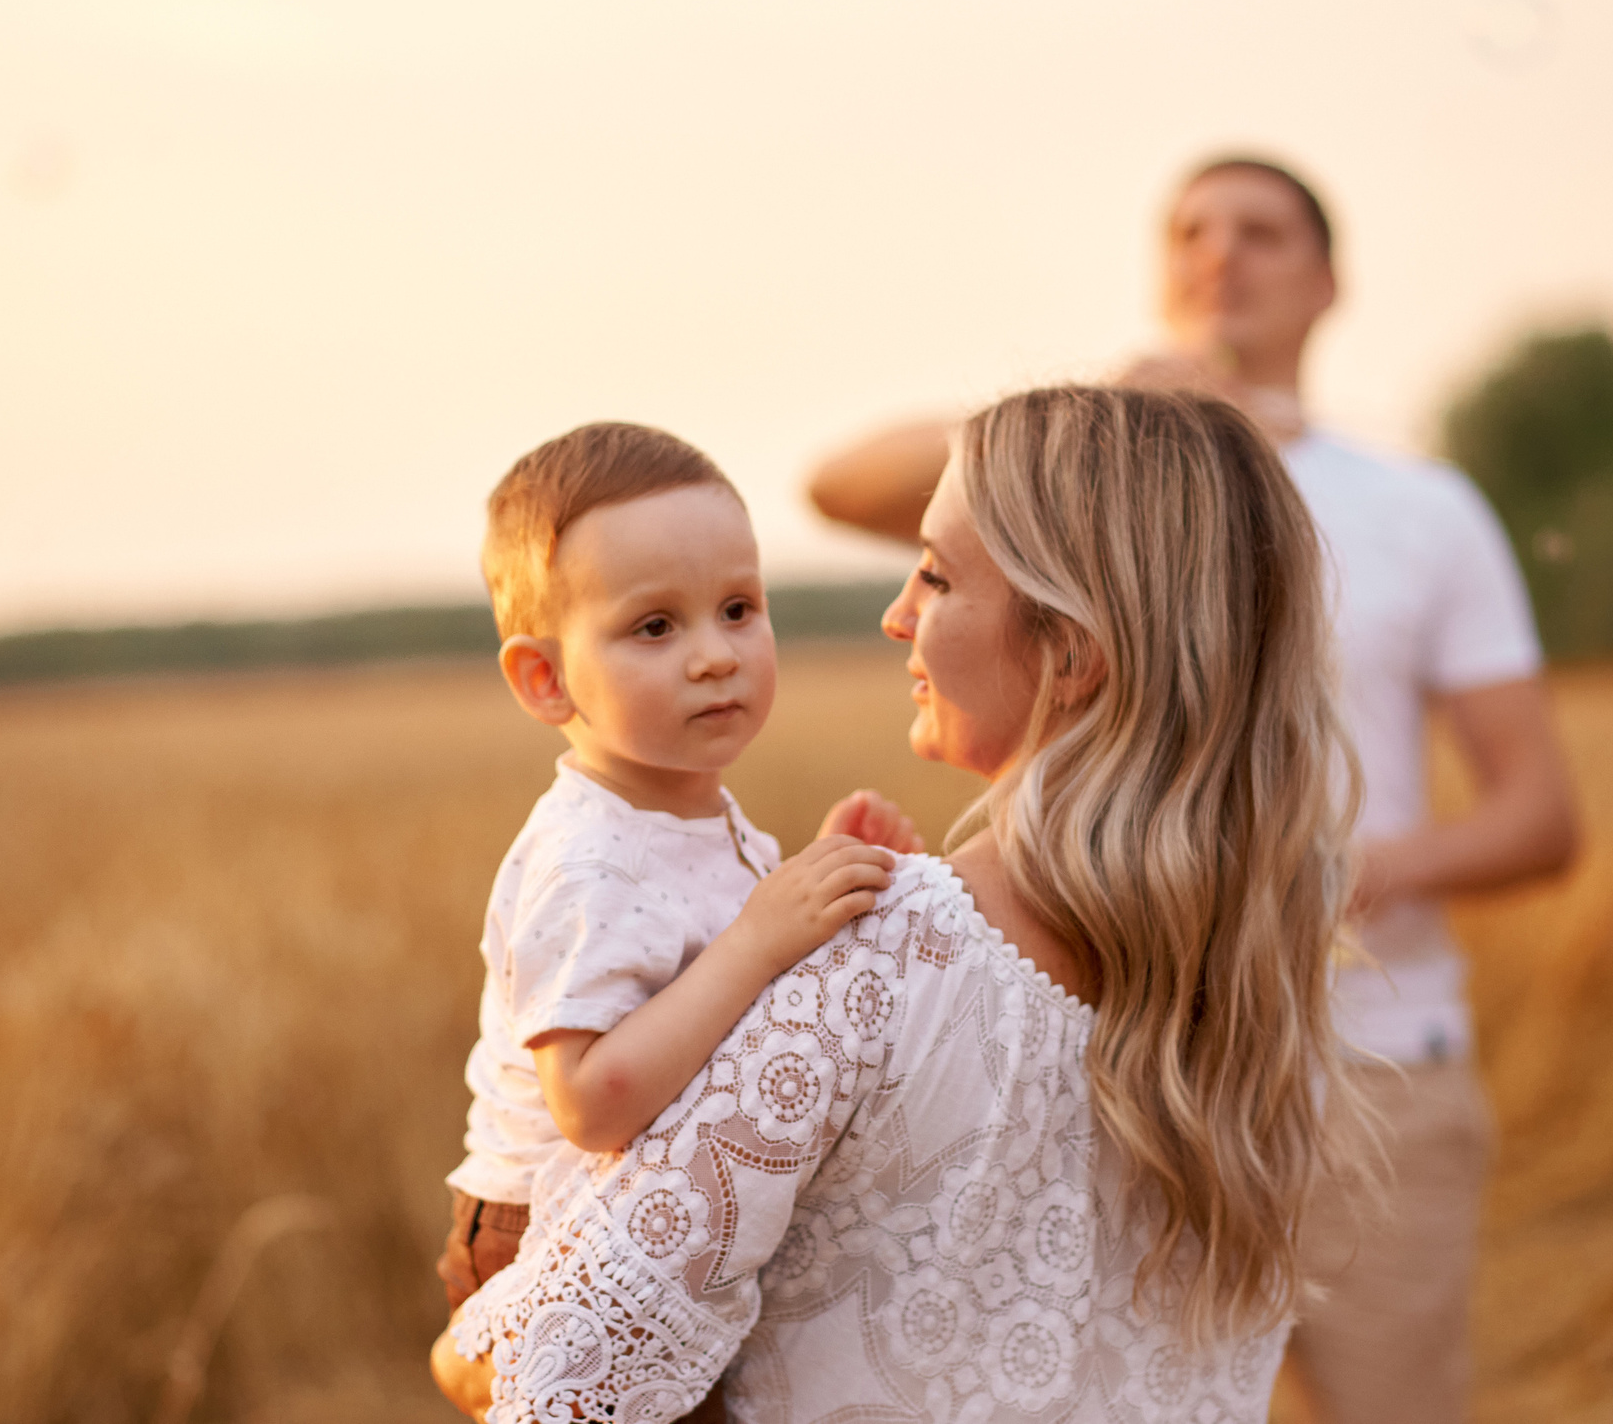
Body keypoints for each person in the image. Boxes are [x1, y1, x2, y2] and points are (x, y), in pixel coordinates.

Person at [805, 158, 1580, 1424]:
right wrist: (1108, 411)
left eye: (1263, 232)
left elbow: (1540, 815)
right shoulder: (1082, 488)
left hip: (1370, 1059)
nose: (1222, 254)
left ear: (1329, 283)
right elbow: (838, 482)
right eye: (1191, 230)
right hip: (1128, 1048)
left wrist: (1334, 873)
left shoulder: (1422, 509)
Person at [435, 385, 1358, 1423]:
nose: (895, 614)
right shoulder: (1265, 977)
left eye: (933, 572)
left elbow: (540, 1375)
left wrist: (469, 1355)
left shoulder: (882, 957)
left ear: (1070, 650)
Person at [439, 422, 925, 1332]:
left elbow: (703, 969)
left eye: (738, 608)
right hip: (543, 1226)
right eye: (655, 626)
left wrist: (813, 882)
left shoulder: (684, 808)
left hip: (634, 1206)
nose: (714, 653)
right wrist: (759, 936)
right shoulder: (589, 858)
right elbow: (589, 1101)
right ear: (546, 679)